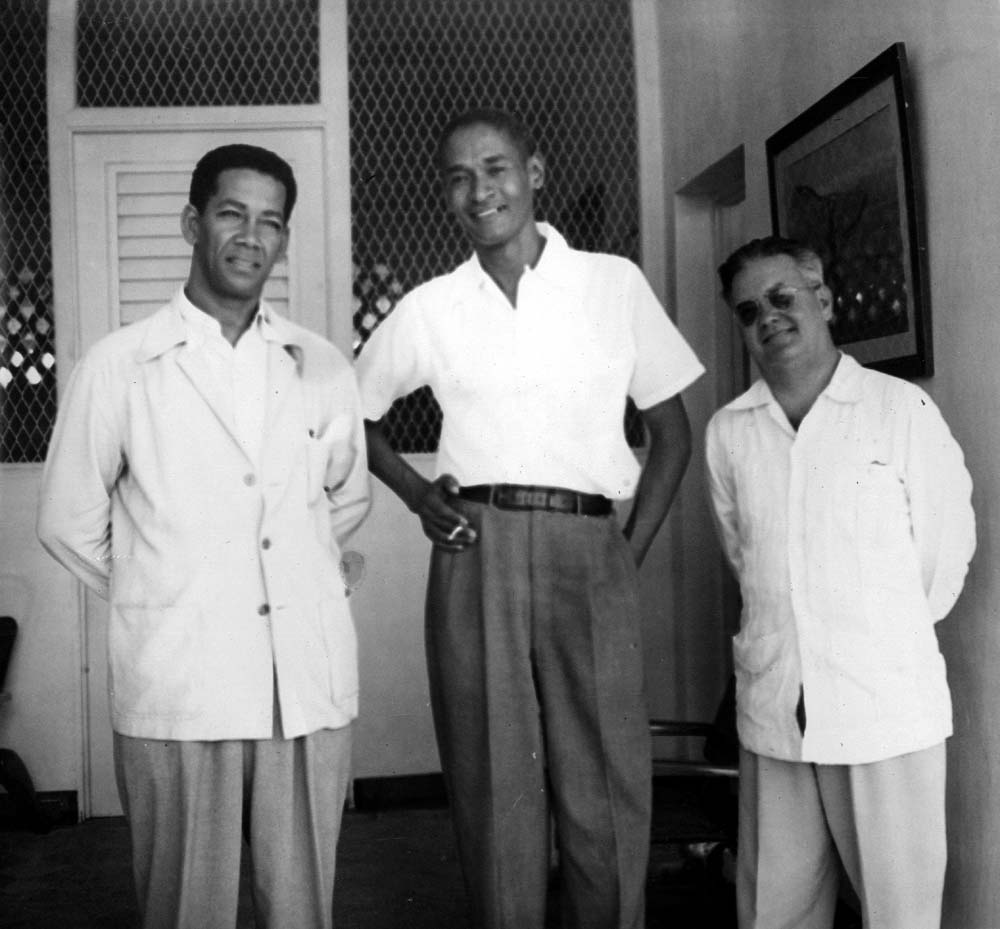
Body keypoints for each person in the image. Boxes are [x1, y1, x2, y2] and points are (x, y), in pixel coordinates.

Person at [355, 108, 704, 929]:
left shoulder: (611, 283)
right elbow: (351, 414)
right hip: (476, 547)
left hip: (593, 543)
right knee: (493, 780)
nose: (481, 190)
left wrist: (628, 550)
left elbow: (673, 435)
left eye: (496, 167)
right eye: (458, 176)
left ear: (534, 172)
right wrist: (416, 492)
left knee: (606, 780)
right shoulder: (432, 307)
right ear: (446, 195)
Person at [37, 144, 370, 929]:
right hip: (182, 684)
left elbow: (344, 500)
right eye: (232, 213)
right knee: (187, 909)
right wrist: (171, 586)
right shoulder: (120, 366)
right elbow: (68, 522)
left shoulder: (318, 363)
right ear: (193, 222)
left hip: (303, 687)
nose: (251, 236)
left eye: (271, 222)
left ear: (284, 239)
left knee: (302, 909)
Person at [706, 236, 976, 929]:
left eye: (782, 297)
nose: (767, 317)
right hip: (776, 712)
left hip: (883, 707)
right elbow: (750, 557)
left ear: (822, 298)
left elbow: (942, 557)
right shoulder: (729, 432)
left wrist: (869, 638)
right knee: (775, 912)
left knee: (899, 916)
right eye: (748, 310)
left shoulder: (899, 410)